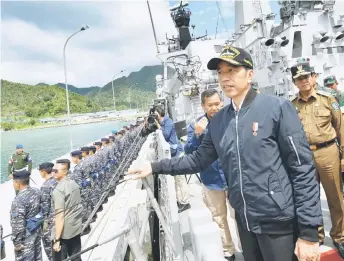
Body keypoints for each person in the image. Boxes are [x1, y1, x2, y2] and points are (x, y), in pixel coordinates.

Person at [128, 46, 322, 261]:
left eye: (232, 70)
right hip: (245, 220)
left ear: (249, 75)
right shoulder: (220, 121)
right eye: (221, 72)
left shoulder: (277, 108)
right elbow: (198, 160)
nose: (225, 78)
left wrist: (309, 233)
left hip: (277, 220)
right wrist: (155, 167)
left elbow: (302, 169)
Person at [290, 63, 344, 257]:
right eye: (299, 78)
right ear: (294, 82)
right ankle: (316, 235)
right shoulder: (291, 105)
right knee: (309, 198)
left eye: (306, 76)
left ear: (313, 77)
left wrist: (343, 155)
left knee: (335, 197)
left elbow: (341, 129)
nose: (303, 80)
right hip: (304, 156)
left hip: (328, 152)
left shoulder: (329, 99)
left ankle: (339, 236)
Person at [184, 89, 236, 261]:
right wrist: (198, 134)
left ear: (222, 102)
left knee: (240, 215)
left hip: (233, 176)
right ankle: (228, 251)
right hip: (211, 179)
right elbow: (190, 152)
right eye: (210, 105)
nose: (214, 108)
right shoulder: (195, 125)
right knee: (219, 217)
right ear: (203, 106)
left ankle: (248, 247)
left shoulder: (231, 119)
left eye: (216, 103)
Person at [154, 105, 191, 213]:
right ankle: (180, 201)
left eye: (155, 113)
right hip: (172, 154)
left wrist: (157, 124)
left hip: (176, 153)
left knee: (180, 179)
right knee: (176, 179)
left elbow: (165, 135)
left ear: (159, 113)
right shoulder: (163, 122)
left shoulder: (168, 122)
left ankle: (185, 202)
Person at [51, 159, 83, 261]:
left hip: (64, 233)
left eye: (56, 170)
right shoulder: (74, 183)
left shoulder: (59, 190)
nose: (53, 172)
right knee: (76, 257)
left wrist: (57, 240)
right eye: (53, 170)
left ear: (65, 171)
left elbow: (59, 216)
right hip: (75, 227)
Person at [10, 170, 42, 261]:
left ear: (18, 183)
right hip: (36, 233)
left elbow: (18, 224)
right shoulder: (37, 191)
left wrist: (17, 244)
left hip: (25, 240)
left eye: (13, 182)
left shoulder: (18, 200)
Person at [39, 162, 58, 260]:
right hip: (59, 216)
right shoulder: (56, 181)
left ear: (43, 172)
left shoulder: (45, 186)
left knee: (49, 247)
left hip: (50, 221)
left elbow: (45, 208)